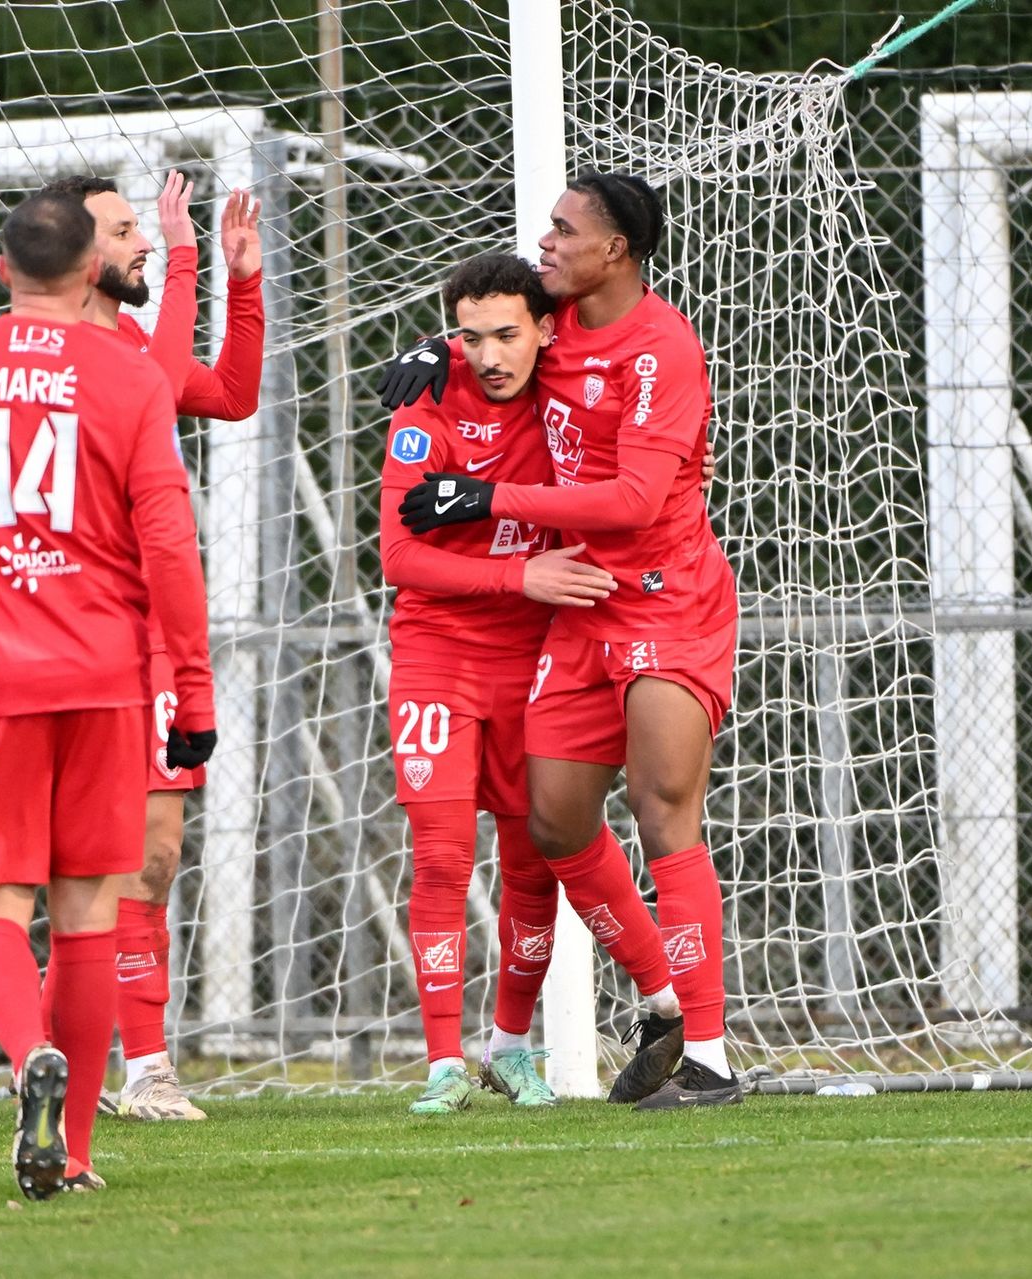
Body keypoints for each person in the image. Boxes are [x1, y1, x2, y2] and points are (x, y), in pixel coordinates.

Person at [0, 190, 212, 1197]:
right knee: (89, 914)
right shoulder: (132, 377)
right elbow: (170, 546)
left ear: (0, 268)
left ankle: (30, 1057)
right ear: (92, 271)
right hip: (109, 678)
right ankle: (77, 1149)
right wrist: (193, 691)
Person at [386, 173, 741, 1109]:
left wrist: (485, 496)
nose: (545, 241)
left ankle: (709, 1055)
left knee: (663, 811)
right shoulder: (557, 318)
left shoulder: (662, 347)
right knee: (553, 823)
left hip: (665, 601)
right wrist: (434, 349)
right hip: (581, 609)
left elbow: (635, 500)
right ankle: (659, 1004)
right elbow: (496, 323)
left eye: (562, 228)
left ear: (615, 249)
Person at [38, 171, 263, 1121]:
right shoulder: (61, 345)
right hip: (72, 628)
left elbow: (233, 394)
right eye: (125, 228)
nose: (141, 240)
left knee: (154, 855)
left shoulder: (130, 337)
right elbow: (161, 385)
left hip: (153, 632)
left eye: (144, 226)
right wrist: (186, 258)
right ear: (76, 251)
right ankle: (84, 1055)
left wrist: (242, 283)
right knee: (93, 866)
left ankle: (131, 1064)